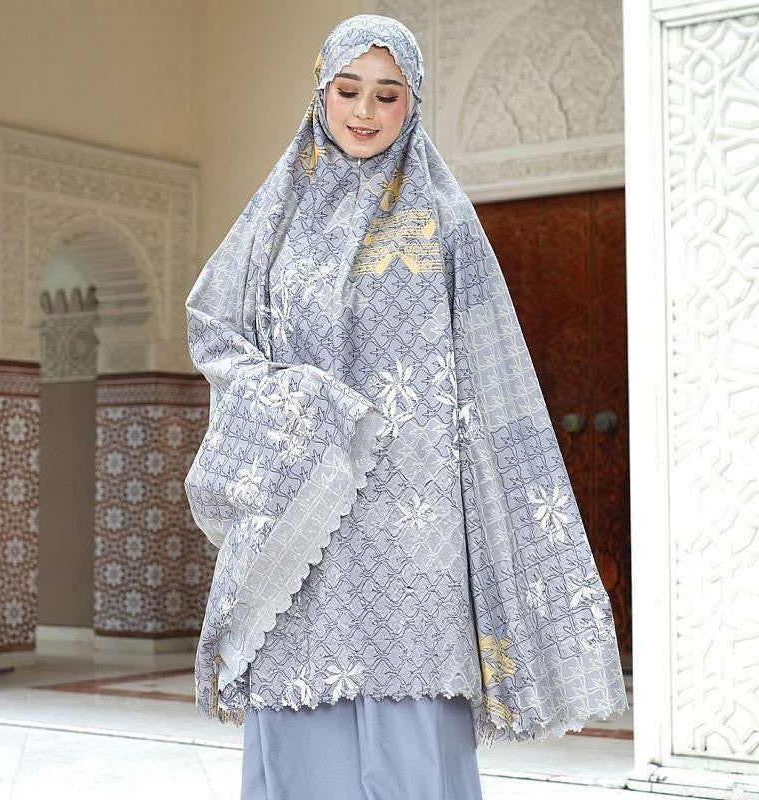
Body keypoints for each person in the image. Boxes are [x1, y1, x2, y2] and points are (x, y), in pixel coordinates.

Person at [183, 13, 628, 800]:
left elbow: (493, 369)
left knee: (413, 724)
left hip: (416, 523)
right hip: (302, 511)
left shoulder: (445, 221)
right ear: (320, 92)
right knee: (300, 710)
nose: (365, 110)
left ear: (412, 102)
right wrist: (300, 399)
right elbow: (212, 326)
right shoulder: (276, 218)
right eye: (348, 89)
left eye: (387, 95)